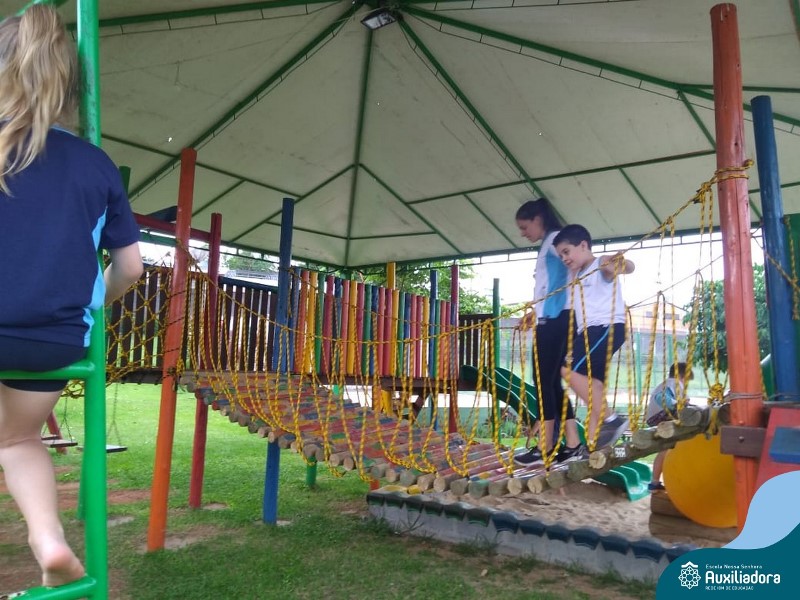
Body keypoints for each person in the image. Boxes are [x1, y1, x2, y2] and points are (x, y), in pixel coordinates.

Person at [0, 5, 143, 589]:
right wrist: (93, 304)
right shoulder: (95, 164)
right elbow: (130, 267)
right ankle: (49, 541)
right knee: (17, 439)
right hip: (50, 340)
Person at [512, 199, 582, 466]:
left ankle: (546, 448)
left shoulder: (554, 240)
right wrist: (535, 312)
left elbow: (575, 268)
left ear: (538, 219)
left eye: (524, 226)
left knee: (542, 382)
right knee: (551, 383)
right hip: (554, 317)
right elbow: (551, 286)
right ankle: (573, 444)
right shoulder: (549, 243)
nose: (523, 233)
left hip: (557, 319)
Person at [553, 224, 634, 452]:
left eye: (567, 252)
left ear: (583, 245)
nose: (564, 258)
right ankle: (593, 444)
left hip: (605, 327)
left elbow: (628, 267)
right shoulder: (577, 274)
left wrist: (620, 263)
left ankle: (612, 420)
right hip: (592, 331)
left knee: (566, 369)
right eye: (561, 255)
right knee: (594, 384)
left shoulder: (600, 264)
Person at [645, 362, 692, 491]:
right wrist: (679, 403)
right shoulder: (675, 383)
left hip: (654, 417)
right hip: (661, 417)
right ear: (683, 376)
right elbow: (662, 398)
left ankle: (655, 482)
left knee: (665, 449)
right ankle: (660, 482)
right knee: (667, 448)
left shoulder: (666, 383)